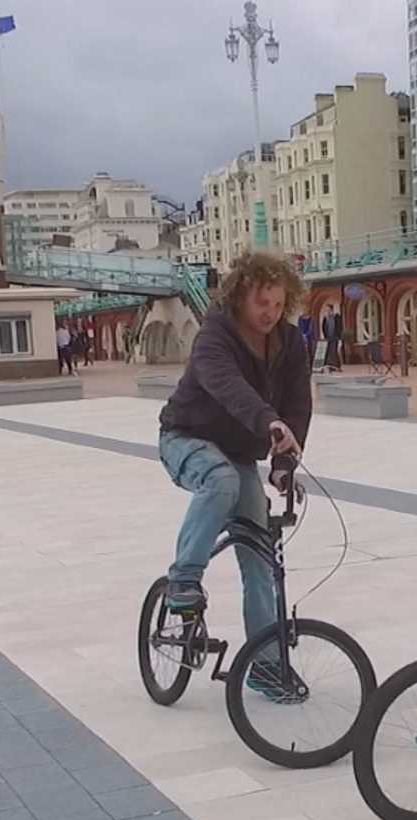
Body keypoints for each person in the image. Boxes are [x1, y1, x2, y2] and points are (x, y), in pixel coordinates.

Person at [157, 251, 311, 696]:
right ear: (241, 295)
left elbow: (298, 406)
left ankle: (266, 665)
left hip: (238, 454)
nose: (271, 312)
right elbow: (227, 386)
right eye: (262, 302)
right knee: (220, 479)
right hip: (185, 438)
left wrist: (283, 466)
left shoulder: (289, 343)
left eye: (279, 304)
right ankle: (184, 579)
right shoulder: (214, 336)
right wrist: (268, 421)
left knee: (261, 560)